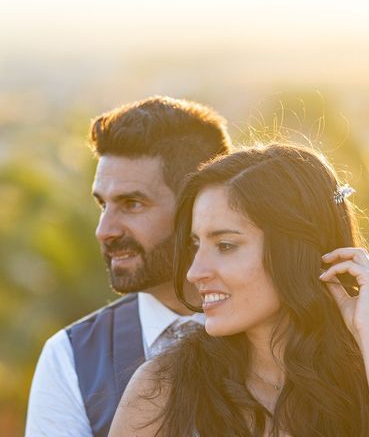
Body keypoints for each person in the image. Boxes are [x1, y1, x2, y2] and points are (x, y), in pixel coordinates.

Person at [109, 144, 369, 436]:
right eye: (196, 244)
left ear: (294, 251)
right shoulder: (163, 389)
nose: (195, 273)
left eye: (224, 245)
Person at [25, 96, 232, 437]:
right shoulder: (70, 360)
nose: (104, 230)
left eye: (132, 204)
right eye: (103, 204)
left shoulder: (280, 333)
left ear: (199, 207)